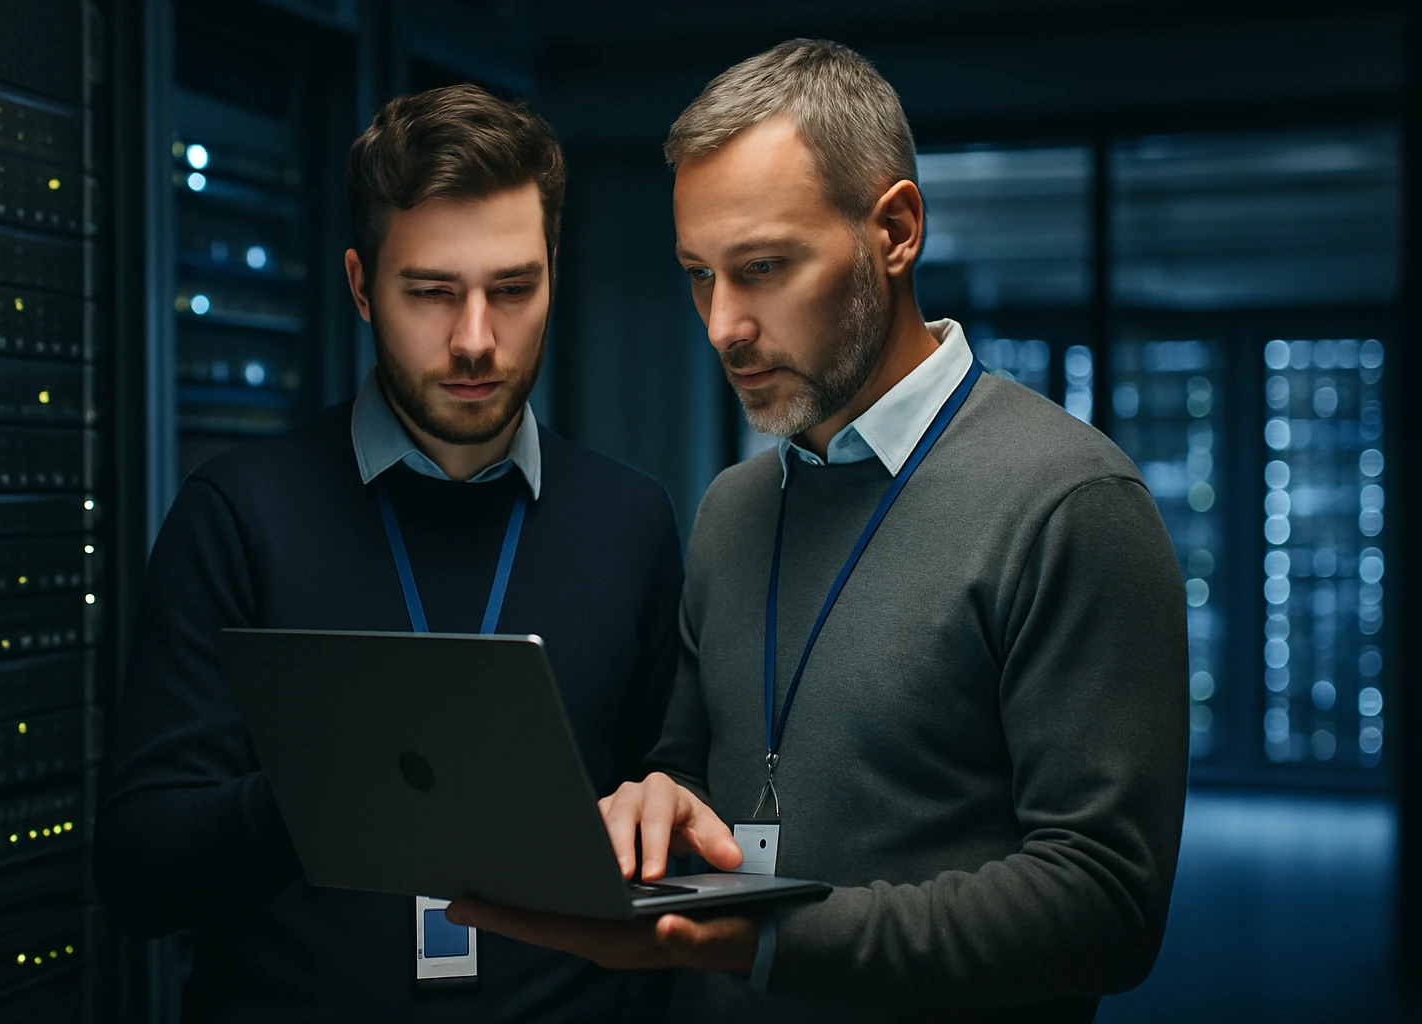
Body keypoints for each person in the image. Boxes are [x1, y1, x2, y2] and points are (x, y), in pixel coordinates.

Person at [448, 39, 1190, 1023]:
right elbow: (688, 764)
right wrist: (655, 801)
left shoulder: (1071, 503)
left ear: (896, 230)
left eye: (762, 268)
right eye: (699, 275)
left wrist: (768, 938)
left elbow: (1105, 904)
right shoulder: (730, 510)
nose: (722, 324)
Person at [95, 84, 683, 1022]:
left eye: (514, 289)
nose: (475, 339)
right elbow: (140, 873)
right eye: (432, 293)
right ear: (362, 286)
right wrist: (342, 782)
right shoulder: (240, 514)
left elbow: (674, 833)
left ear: (554, 275)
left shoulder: (633, 521)